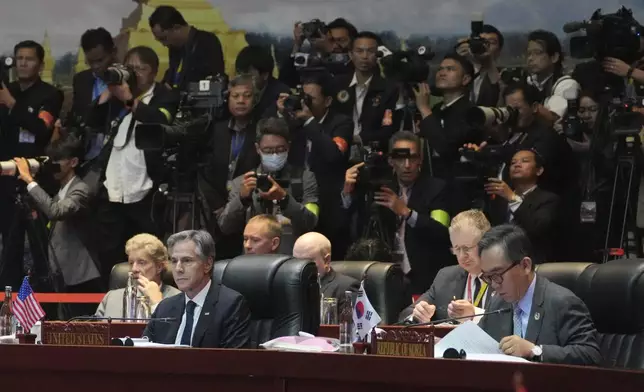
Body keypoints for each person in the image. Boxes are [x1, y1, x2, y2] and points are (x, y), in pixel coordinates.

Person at [477, 224, 602, 366]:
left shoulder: (562, 303)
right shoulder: (497, 303)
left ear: (525, 266)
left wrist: (535, 351)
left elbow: (591, 355)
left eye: (497, 275)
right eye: (487, 277)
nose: (494, 284)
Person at [15, 135, 102, 318]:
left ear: (73, 162)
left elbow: (56, 212)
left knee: (80, 326)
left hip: (80, 273)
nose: (53, 165)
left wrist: (30, 181)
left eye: (58, 161)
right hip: (61, 273)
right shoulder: (60, 190)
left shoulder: (81, 189)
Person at [0, 40, 64, 289]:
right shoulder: (8, 88)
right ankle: (8, 300)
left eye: (29, 58)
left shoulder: (49, 94)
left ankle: (46, 304)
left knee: (39, 247)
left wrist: (12, 104)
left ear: (40, 63)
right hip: (4, 178)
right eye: (19, 58)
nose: (23, 63)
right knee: (10, 245)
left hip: (35, 178)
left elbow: (41, 130)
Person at [143, 230, 251, 348]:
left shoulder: (230, 305)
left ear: (207, 264)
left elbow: (233, 361)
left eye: (187, 260)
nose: (178, 269)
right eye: (174, 261)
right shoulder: (165, 307)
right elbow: (145, 352)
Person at [398, 210, 492, 324]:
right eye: (457, 249)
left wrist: (475, 315)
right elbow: (406, 314)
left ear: (486, 243)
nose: (462, 256)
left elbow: (510, 322)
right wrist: (417, 316)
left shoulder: (503, 277)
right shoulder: (446, 277)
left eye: (467, 248)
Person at [95, 233, 180, 318]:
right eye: (131, 263)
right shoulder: (111, 298)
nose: (134, 269)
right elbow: (94, 330)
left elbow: (172, 330)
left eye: (141, 263)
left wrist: (157, 304)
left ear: (159, 267)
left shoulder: (178, 299)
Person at [149, 5, 225, 91]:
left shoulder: (207, 41)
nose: (164, 44)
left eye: (164, 38)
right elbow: (172, 76)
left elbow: (212, 80)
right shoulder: (174, 47)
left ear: (176, 28)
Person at [292, 232, 359, 310]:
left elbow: (347, 321)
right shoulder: (290, 286)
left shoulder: (347, 288)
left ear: (326, 260)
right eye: (296, 261)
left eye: (307, 261)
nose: (300, 267)